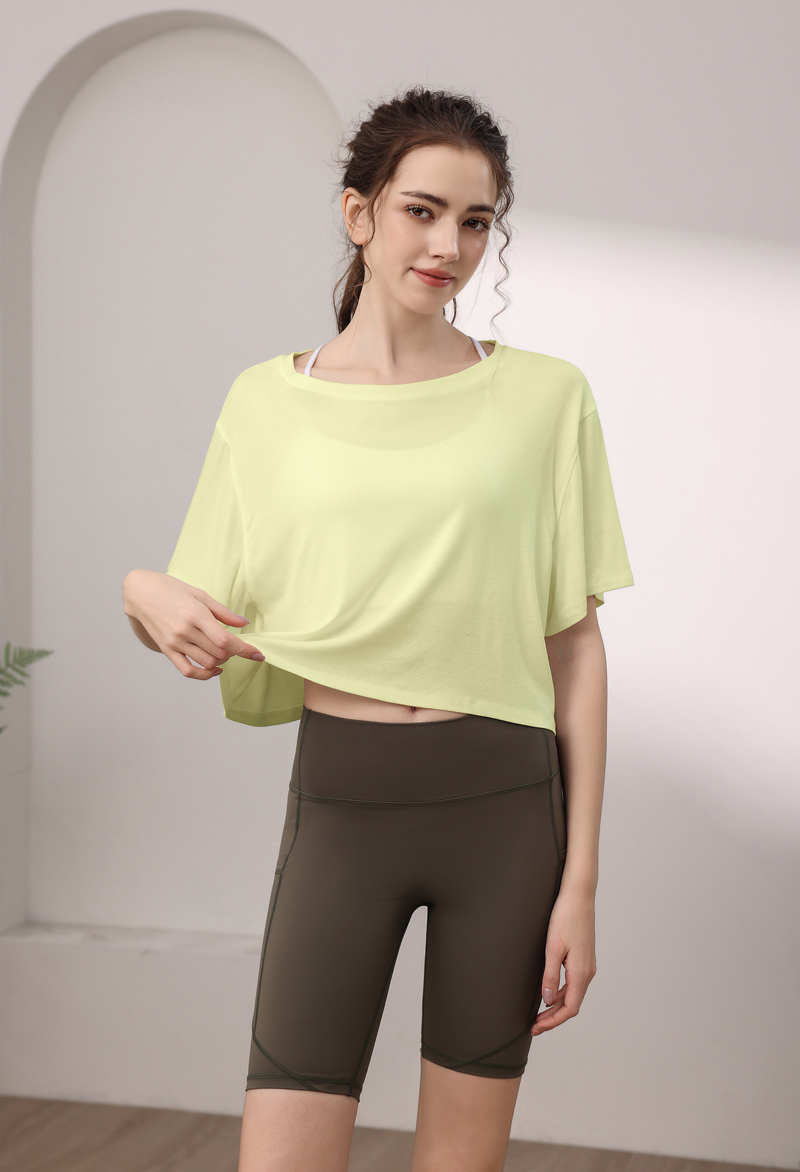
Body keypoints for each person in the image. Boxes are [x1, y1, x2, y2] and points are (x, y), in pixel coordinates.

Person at [123, 86, 634, 1172]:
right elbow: (192, 610)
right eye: (421, 211)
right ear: (358, 214)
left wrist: (580, 885)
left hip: (505, 814)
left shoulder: (546, 398)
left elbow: (575, 646)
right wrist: (139, 590)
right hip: (342, 808)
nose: (449, 245)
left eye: (476, 220)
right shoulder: (265, 401)